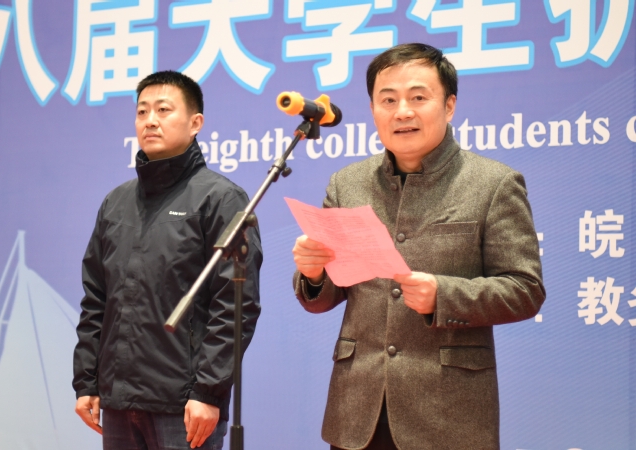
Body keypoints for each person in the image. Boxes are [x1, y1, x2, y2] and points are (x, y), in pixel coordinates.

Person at [292, 43, 546, 450]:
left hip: (448, 416)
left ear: (449, 106)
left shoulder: (494, 184)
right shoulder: (347, 184)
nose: (402, 112)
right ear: (373, 109)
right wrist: (314, 273)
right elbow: (327, 296)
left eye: (418, 98)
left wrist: (443, 295)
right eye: (388, 100)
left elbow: (525, 290)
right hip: (356, 413)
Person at [73, 71, 262, 450]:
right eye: (142, 111)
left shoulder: (220, 199)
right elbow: (96, 299)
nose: (150, 121)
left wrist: (208, 391)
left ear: (195, 123)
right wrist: (87, 381)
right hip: (118, 400)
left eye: (163, 110)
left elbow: (235, 306)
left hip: (185, 405)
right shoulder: (116, 202)